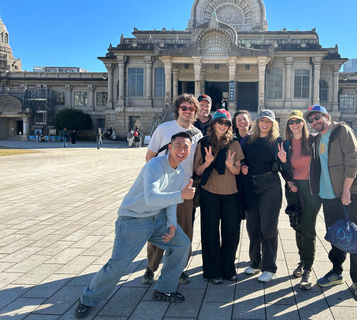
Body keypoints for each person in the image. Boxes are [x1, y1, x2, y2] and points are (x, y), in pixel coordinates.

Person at [74, 132, 196, 319]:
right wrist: (182, 195)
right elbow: (151, 198)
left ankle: (164, 289)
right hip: (133, 219)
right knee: (118, 264)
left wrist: (172, 223)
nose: (182, 150)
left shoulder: (179, 172)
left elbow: (170, 202)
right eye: (178, 145)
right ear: (170, 148)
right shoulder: (154, 165)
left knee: (182, 245)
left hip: (158, 219)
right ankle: (87, 299)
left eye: (186, 147)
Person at [304, 105, 357, 298]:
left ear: (327, 116)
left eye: (318, 118)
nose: (315, 122)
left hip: (347, 194)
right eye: (312, 120)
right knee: (336, 235)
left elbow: (353, 159)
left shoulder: (342, 131)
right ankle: (336, 271)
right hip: (327, 195)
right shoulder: (317, 139)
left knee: (355, 235)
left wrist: (347, 190)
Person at [143, 93, 203, 286]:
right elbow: (150, 157)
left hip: (185, 187)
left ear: (195, 112)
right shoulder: (163, 129)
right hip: (163, 186)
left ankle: (179, 269)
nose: (187, 111)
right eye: (184, 108)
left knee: (184, 229)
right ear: (178, 109)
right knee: (160, 227)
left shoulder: (198, 134)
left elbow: (195, 164)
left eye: (191, 109)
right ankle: (151, 268)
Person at [194, 109, 244, 284]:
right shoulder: (204, 143)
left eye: (226, 123)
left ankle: (228, 269)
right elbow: (197, 171)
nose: (223, 126)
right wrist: (207, 163)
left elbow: (237, 170)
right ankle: (213, 271)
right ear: (213, 123)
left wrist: (230, 165)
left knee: (231, 232)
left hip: (230, 193)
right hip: (209, 192)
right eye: (220, 122)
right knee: (210, 232)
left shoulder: (234, 144)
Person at [278, 110, 321, 290]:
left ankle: (308, 269)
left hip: (311, 190)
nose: (294, 125)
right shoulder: (284, 144)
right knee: (297, 225)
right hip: (293, 189)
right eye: (291, 122)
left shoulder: (313, 141)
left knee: (308, 228)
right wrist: (288, 179)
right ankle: (302, 261)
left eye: (298, 121)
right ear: (288, 125)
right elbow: (284, 168)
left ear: (303, 123)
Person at [241, 109, 284, 283]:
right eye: (262, 121)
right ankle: (256, 262)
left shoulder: (277, 141)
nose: (265, 124)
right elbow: (239, 156)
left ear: (273, 124)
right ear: (257, 122)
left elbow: (285, 165)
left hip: (270, 185)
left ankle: (269, 267)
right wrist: (242, 164)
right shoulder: (249, 139)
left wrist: (284, 161)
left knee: (268, 226)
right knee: (252, 226)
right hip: (251, 185)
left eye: (268, 121)